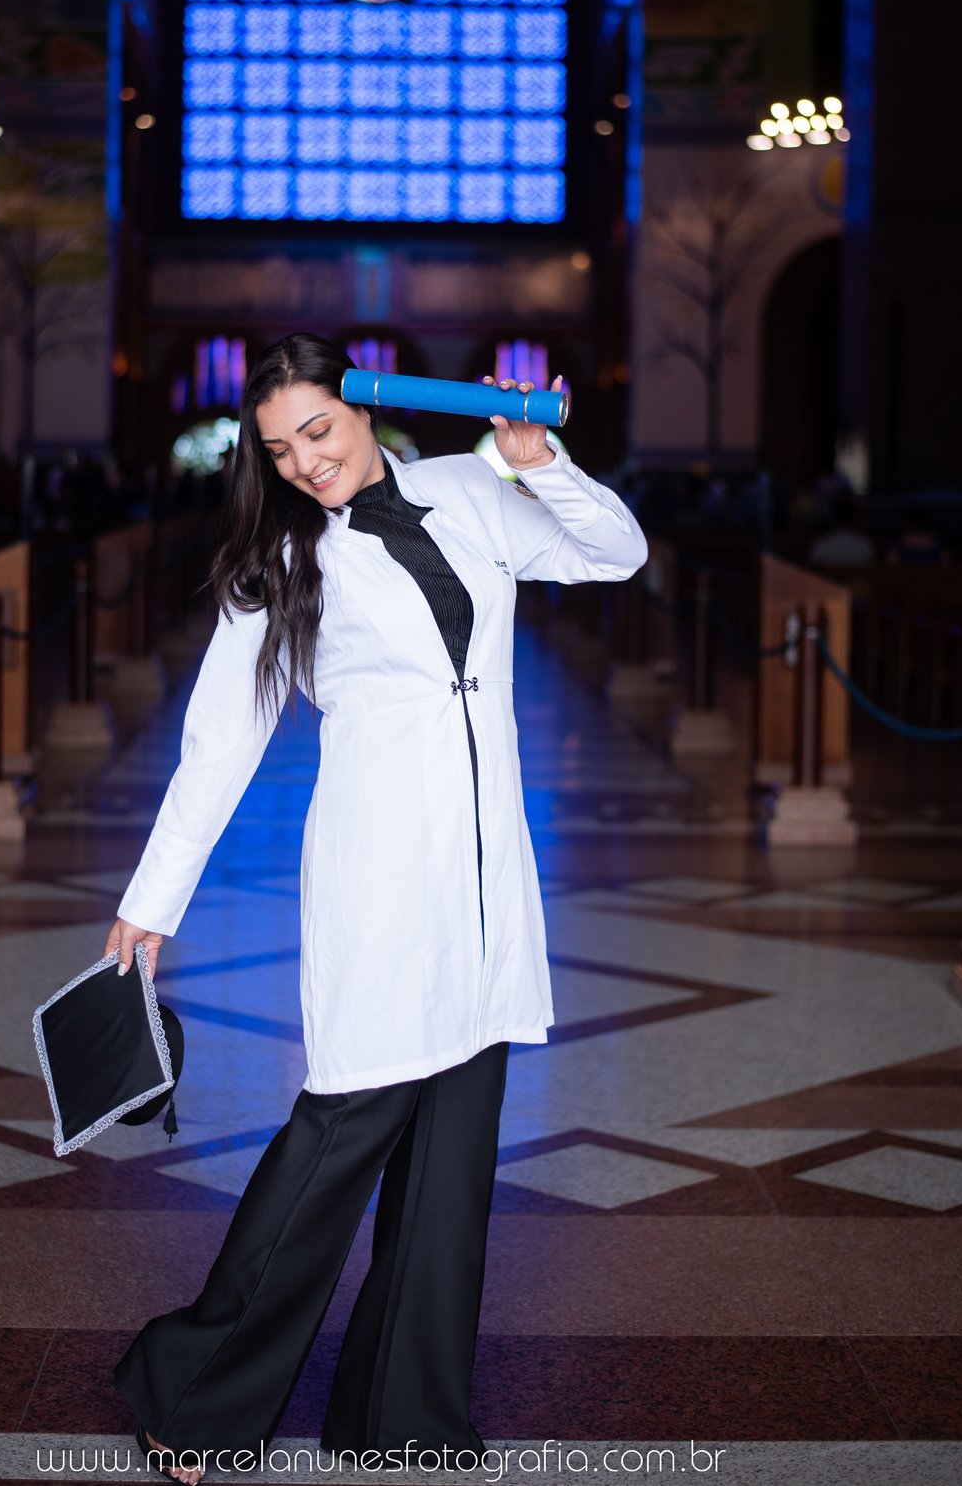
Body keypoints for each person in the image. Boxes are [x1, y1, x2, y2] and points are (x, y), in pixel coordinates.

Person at [103, 334, 647, 1481]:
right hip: (380, 880)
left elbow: (616, 552)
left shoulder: (471, 489)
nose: (303, 461)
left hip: (488, 881)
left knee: (451, 1169)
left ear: (364, 410)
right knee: (337, 1133)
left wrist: (539, 460)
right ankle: (189, 1392)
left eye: (318, 429)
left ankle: (403, 1416)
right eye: (278, 447)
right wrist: (154, 899)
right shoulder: (279, 565)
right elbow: (219, 742)